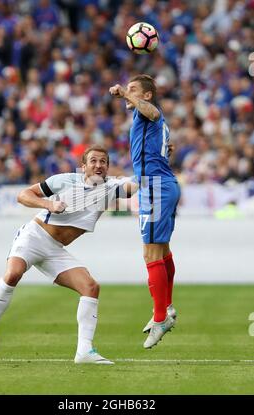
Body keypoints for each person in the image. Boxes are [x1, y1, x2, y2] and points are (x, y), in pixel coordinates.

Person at [0, 145, 137, 364]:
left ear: (108, 167)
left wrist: (159, 158)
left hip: (55, 250)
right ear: (83, 167)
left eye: (103, 162)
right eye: (93, 161)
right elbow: (23, 195)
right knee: (13, 274)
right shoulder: (64, 180)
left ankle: (84, 352)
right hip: (34, 236)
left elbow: (134, 185)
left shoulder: (111, 187)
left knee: (90, 287)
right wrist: (48, 204)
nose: (98, 165)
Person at [109, 75, 181, 349]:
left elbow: (152, 110)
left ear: (147, 95)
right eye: (128, 89)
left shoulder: (150, 112)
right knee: (161, 251)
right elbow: (165, 147)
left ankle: (161, 317)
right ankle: (167, 308)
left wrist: (125, 96)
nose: (128, 93)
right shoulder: (150, 123)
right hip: (162, 185)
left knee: (150, 253)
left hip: (156, 188)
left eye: (134, 89)